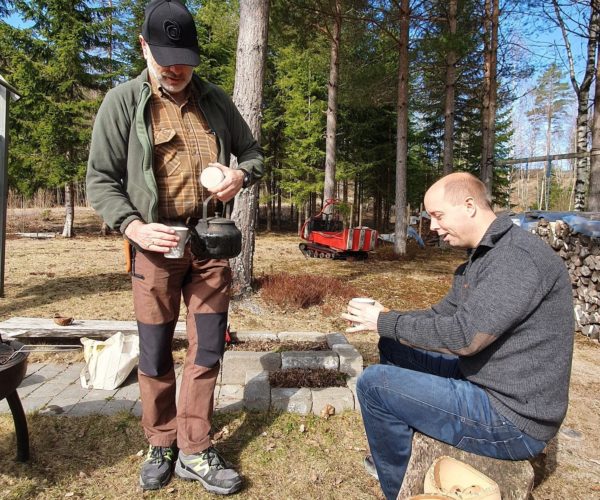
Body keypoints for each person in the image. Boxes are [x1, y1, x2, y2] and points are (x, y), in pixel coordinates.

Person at [86, 0, 263, 494]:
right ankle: (161, 439)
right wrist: (133, 228)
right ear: (143, 47)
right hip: (155, 247)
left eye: (183, 56)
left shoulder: (216, 101)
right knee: (155, 351)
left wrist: (240, 174)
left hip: (211, 247)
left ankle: (195, 446)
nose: (176, 67)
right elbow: (99, 181)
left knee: (206, 349)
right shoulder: (122, 102)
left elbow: (252, 152)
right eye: (164, 56)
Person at [342, 172, 574, 500]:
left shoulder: (516, 259)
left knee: (374, 385)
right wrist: (387, 319)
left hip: (513, 418)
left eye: (438, 216)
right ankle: (400, 451)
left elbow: (465, 337)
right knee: (392, 344)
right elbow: (441, 317)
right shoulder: (483, 259)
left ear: (469, 206)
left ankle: (399, 489)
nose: (433, 227)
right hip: (483, 381)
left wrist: (386, 321)